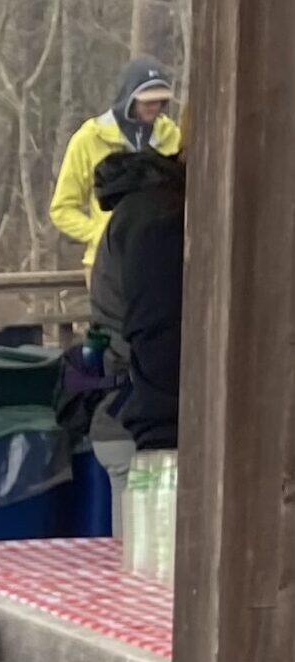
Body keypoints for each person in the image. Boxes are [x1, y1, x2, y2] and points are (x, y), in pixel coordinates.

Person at [86, 149, 185, 539]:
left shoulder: (134, 214)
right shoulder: (157, 218)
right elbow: (155, 332)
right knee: (148, 573)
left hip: (123, 411)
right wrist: (161, 438)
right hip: (141, 423)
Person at [50, 57, 182, 266]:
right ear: (129, 98)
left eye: (160, 100)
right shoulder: (89, 138)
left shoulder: (172, 137)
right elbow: (62, 208)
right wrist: (101, 234)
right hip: (108, 262)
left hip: (159, 260)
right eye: (147, 100)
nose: (155, 106)